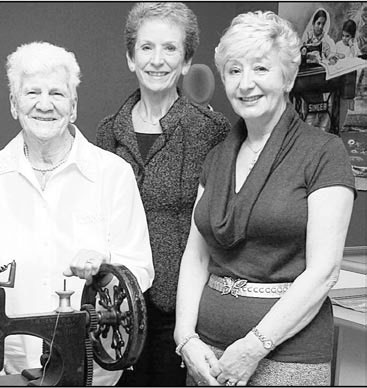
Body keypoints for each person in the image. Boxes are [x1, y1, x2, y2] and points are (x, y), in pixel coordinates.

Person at [0, 41, 154, 386]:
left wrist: (104, 267)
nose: (45, 104)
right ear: (15, 105)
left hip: (93, 370)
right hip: (11, 370)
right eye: (32, 92)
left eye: (57, 93)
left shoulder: (112, 174)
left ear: (73, 107)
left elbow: (139, 268)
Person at [174, 11, 356, 386]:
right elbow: (196, 255)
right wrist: (185, 337)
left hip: (286, 357)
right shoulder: (217, 157)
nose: (246, 84)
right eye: (234, 70)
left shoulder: (324, 152)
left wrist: (254, 346)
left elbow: (324, 272)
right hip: (206, 356)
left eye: (260, 68)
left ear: (288, 77)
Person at [96, 2, 230, 386]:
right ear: (130, 58)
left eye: (170, 48)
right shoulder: (107, 133)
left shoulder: (212, 131)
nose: (157, 60)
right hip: (117, 307)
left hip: (184, 310)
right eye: (146, 47)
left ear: (186, 61)